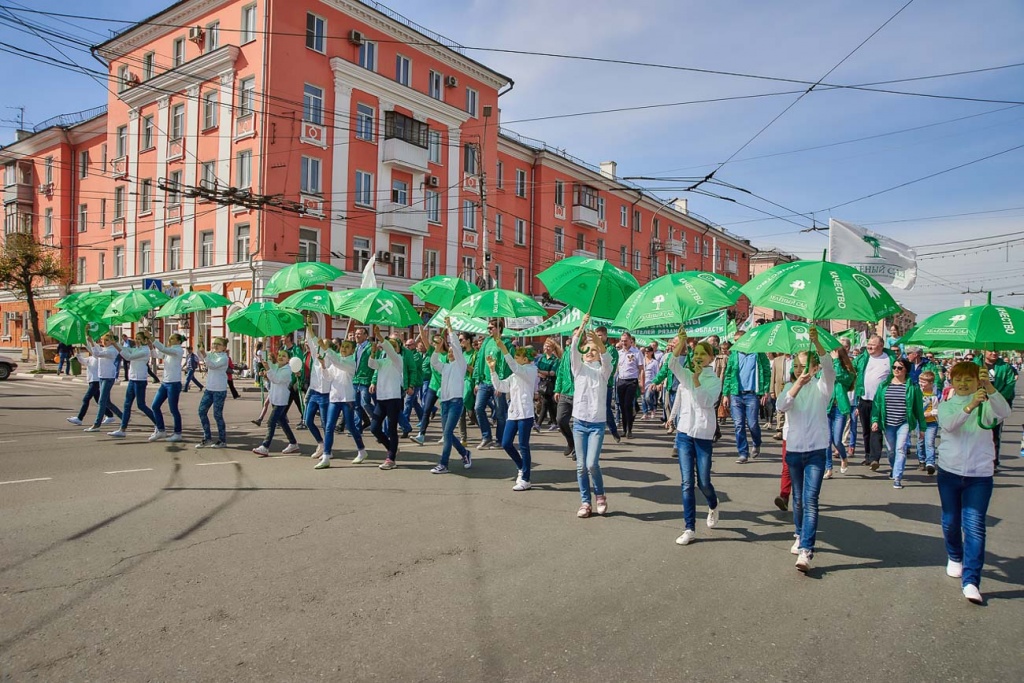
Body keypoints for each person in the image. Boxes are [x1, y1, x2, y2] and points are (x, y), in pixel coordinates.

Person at [936, 361, 1011, 604]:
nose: (963, 383)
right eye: (958, 379)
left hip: (979, 475)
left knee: (975, 525)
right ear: (952, 382)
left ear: (977, 381)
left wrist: (989, 389)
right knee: (950, 522)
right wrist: (971, 405)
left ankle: (971, 581)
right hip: (949, 472)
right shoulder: (946, 406)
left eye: (968, 379)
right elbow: (950, 424)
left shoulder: (987, 403)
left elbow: (1004, 413)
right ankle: (955, 556)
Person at [775, 327, 835, 572]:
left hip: (817, 451)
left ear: (814, 367)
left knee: (810, 499)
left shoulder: (823, 388)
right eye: (797, 368)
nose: (801, 371)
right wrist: (797, 384)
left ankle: (806, 550)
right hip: (795, 451)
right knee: (798, 499)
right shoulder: (791, 389)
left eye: (805, 367)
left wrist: (817, 343)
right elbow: (781, 406)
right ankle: (799, 533)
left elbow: (829, 367)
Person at [668, 328, 723, 546]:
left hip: (703, 435)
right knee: (686, 482)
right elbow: (672, 365)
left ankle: (713, 503)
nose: (698, 356)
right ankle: (689, 528)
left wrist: (698, 380)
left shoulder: (714, 381)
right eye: (696, 353)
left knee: (704, 481)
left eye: (703, 353)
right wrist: (681, 343)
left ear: (711, 358)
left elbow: (706, 403)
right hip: (684, 434)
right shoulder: (686, 375)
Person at [570, 315, 613, 518]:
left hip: (596, 424)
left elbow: (607, 360)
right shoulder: (579, 369)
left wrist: (599, 344)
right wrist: (582, 327)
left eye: (593, 350)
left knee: (591, 464)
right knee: (580, 466)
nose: (589, 352)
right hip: (579, 422)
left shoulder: (603, 372)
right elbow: (572, 351)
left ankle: (601, 495)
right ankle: (585, 502)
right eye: (586, 349)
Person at [487, 327, 538, 491]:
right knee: (506, 443)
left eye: (518, 357)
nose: (515, 359)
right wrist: (492, 370)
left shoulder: (530, 371)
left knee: (523, 445)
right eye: (515, 357)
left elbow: (515, 367)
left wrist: (503, 348)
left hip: (526, 414)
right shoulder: (515, 375)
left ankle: (526, 479)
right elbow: (501, 387)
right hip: (513, 413)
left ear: (526, 359)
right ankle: (522, 467)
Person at [870, 358, 926, 488]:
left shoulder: (912, 387)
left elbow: (918, 408)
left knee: (900, 449)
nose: (896, 370)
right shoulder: (884, 385)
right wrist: (875, 420)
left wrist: (922, 428)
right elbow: (877, 404)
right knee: (891, 451)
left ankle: (897, 477)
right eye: (894, 367)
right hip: (888, 422)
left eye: (899, 368)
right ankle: (894, 468)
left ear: (906, 370)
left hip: (904, 422)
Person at [428, 317, 472, 474]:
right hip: (445, 403)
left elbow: (456, 347)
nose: (452, 352)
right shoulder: (445, 367)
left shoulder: (461, 365)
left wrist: (449, 328)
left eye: (454, 351)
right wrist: (437, 348)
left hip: (456, 403)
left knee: (447, 433)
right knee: (448, 433)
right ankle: (465, 453)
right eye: (450, 351)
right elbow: (433, 362)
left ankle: (443, 464)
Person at [722, 331, 771, 463]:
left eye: (739, 339)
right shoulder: (734, 355)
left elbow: (766, 371)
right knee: (738, 425)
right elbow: (728, 374)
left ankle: (756, 442)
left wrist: (766, 390)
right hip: (736, 394)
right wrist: (725, 394)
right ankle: (743, 453)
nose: (737, 342)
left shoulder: (758, 353)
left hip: (752, 394)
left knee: (753, 424)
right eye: (735, 340)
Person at [322, 338, 366, 468]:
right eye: (342, 346)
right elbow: (328, 377)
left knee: (351, 427)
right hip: (334, 398)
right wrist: (324, 366)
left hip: (347, 399)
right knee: (329, 427)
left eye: (347, 347)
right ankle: (326, 455)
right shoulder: (337, 362)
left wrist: (326, 349)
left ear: (353, 350)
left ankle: (362, 450)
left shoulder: (351, 363)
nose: (343, 349)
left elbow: (338, 362)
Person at [107, 330, 158, 438]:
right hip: (132, 379)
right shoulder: (136, 349)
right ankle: (122, 429)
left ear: (145, 340)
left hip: (140, 380)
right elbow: (127, 349)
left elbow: (128, 357)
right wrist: (114, 341)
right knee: (127, 404)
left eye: (139, 339)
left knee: (141, 405)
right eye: (136, 338)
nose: (137, 341)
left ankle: (159, 424)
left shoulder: (145, 351)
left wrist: (115, 345)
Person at [252, 349, 302, 457]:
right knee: (283, 422)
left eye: (284, 356)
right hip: (274, 400)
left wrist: (268, 369)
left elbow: (276, 379)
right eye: (279, 355)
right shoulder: (276, 366)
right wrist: (264, 346)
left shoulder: (287, 370)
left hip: (281, 401)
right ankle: (293, 443)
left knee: (271, 422)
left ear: (288, 360)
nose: (280, 357)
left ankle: (265, 446)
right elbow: (265, 360)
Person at [854, 335, 894, 469]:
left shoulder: (889, 359)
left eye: (873, 344)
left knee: (875, 429)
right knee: (865, 429)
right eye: (868, 344)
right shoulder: (863, 358)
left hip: (881, 401)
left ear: (881, 346)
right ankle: (867, 455)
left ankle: (875, 458)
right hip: (864, 399)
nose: (869, 346)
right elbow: (850, 368)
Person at [473, 319, 514, 450]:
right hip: (484, 381)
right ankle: (486, 437)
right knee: (478, 408)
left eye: (491, 328)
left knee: (500, 413)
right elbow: (480, 360)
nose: (488, 330)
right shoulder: (486, 341)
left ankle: (500, 440)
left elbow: (507, 364)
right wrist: (477, 380)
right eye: (488, 328)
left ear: (499, 328)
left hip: (498, 382)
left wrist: (501, 384)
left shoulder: (506, 343)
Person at [368, 326, 405, 470]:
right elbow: (371, 364)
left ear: (397, 348)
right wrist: (372, 352)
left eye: (393, 345)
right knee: (374, 428)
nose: (390, 347)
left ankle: (391, 458)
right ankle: (391, 448)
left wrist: (380, 336)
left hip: (393, 398)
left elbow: (389, 350)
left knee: (391, 429)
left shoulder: (398, 359)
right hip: (381, 398)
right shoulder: (383, 361)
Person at [974, 350, 1017, 469]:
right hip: (978, 402)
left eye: (996, 351)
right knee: (975, 433)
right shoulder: (975, 364)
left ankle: (993, 461)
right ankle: (977, 460)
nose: (993, 353)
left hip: (995, 405)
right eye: (990, 351)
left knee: (994, 434)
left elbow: (1010, 384)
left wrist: (996, 399)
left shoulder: (1005, 367)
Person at [67, 344, 121, 427]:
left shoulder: (98, 358)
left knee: (86, 399)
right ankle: (110, 415)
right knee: (99, 400)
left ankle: (79, 418)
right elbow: (83, 361)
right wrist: (78, 353)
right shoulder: (91, 358)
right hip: (91, 381)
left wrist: (87, 343)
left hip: (96, 381)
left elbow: (95, 352)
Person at [301, 321, 331, 462]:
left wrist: (324, 364)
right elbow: (311, 340)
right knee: (308, 421)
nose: (320, 346)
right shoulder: (316, 355)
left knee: (326, 423)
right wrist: (309, 327)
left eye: (324, 344)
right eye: (320, 344)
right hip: (314, 392)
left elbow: (329, 376)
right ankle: (321, 443)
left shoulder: (330, 359)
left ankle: (327, 450)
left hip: (325, 394)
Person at [825, 344, 856, 478]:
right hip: (827, 407)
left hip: (839, 408)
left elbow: (840, 377)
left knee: (837, 440)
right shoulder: (828, 368)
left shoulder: (847, 370)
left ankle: (844, 458)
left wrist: (837, 361)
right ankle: (829, 468)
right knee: (826, 440)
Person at [148, 332, 185, 442]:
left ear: (178, 341)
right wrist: (151, 347)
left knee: (173, 409)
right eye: (169, 338)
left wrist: (152, 338)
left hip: (174, 383)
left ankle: (178, 433)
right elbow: (157, 355)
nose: (170, 340)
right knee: (155, 406)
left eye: (172, 338)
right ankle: (161, 430)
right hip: (165, 383)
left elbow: (164, 349)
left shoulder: (178, 350)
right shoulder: (169, 350)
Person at [83, 333, 121, 432]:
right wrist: (87, 339)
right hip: (102, 376)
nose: (104, 342)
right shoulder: (104, 349)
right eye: (103, 340)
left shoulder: (112, 351)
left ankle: (97, 424)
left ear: (112, 341)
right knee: (107, 402)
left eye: (107, 340)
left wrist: (91, 342)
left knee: (101, 401)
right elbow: (94, 350)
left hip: (108, 377)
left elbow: (97, 353)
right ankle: (124, 417)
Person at [195, 337, 229, 449]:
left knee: (217, 415)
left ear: (224, 347)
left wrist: (205, 355)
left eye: (218, 344)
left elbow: (212, 365)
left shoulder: (224, 358)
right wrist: (200, 345)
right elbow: (200, 355)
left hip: (219, 389)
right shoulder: (212, 354)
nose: (215, 346)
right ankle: (207, 437)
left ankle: (222, 440)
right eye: (214, 344)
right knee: (201, 411)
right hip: (209, 389)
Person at [594, 326, 621, 443]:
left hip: (606, 384)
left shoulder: (611, 350)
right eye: (597, 335)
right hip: (593, 384)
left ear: (605, 336)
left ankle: (614, 430)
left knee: (605, 409)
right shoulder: (593, 348)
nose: (598, 338)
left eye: (600, 335)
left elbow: (612, 368)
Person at [615, 332, 644, 439]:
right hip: (621, 381)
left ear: (630, 340)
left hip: (632, 381)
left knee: (628, 405)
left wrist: (641, 384)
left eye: (625, 341)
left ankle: (629, 430)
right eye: (622, 341)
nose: (624, 343)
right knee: (622, 406)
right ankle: (624, 429)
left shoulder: (636, 352)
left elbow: (641, 369)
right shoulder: (619, 353)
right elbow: (617, 368)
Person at [917, 370, 941, 475]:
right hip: (920, 423)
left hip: (931, 422)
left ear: (931, 383)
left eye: (924, 382)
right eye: (920, 381)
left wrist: (931, 413)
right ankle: (921, 460)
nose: (921, 383)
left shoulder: (936, 394)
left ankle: (930, 463)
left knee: (929, 443)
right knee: (920, 442)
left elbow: (939, 408)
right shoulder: (918, 392)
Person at [351, 327, 374, 430]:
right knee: (356, 406)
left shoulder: (370, 348)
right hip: (355, 380)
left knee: (365, 403)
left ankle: (378, 420)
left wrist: (373, 381)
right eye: (356, 333)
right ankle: (357, 428)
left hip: (365, 380)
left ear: (366, 336)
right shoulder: (355, 348)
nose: (356, 335)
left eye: (359, 334)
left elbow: (374, 365)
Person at [536, 337, 561, 430]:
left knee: (546, 403)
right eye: (545, 346)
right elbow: (536, 370)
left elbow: (552, 373)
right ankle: (555, 422)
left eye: (549, 347)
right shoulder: (541, 358)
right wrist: (541, 373)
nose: (546, 348)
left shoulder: (555, 359)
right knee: (549, 403)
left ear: (553, 348)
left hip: (551, 383)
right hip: (542, 383)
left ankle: (538, 424)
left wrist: (541, 372)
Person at [641, 346, 660, 421]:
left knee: (647, 397)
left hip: (650, 383)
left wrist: (657, 383)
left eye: (648, 351)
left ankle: (652, 409)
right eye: (645, 351)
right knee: (643, 399)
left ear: (652, 352)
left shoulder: (654, 362)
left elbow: (657, 373)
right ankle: (645, 413)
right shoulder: (642, 361)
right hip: (642, 382)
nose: (646, 353)